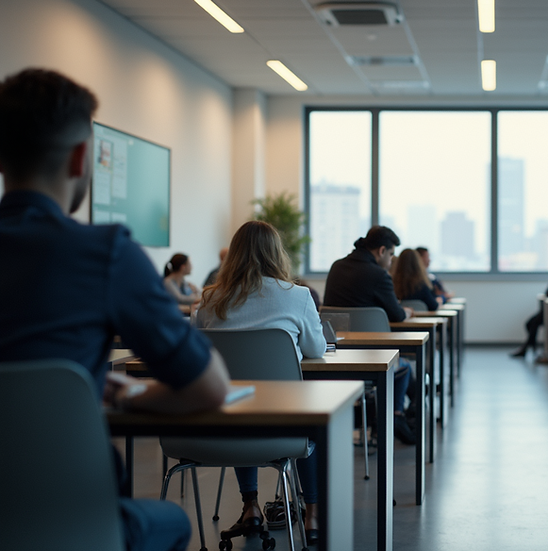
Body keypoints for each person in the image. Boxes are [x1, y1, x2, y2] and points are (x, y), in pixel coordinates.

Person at [0, 68, 231, 551]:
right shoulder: (105, 254)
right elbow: (210, 387)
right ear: (81, 157)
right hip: (73, 518)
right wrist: (130, 396)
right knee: (172, 522)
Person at [196, 221, 326, 544]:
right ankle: (312, 514)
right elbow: (316, 349)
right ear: (276, 254)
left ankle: (250, 507)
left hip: (222, 423)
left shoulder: (209, 301)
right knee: (317, 419)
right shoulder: (298, 296)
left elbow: (196, 351)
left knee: (242, 401)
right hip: (285, 422)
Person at [323, 226, 416, 444]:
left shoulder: (336, 267)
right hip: (370, 357)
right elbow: (397, 315)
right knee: (404, 367)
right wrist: (407, 311)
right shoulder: (379, 275)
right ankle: (397, 416)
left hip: (334, 356)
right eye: (391, 254)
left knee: (403, 369)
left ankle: (394, 415)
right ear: (381, 251)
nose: (391, 261)